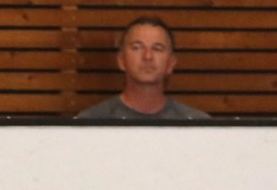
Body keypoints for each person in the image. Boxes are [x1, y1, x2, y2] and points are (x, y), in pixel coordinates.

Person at [77, 16, 210, 120]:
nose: (147, 56)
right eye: (137, 48)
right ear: (121, 60)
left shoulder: (197, 126)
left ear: (171, 63)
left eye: (157, 48)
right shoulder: (90, 123)